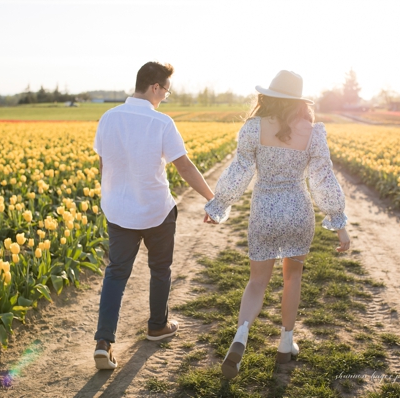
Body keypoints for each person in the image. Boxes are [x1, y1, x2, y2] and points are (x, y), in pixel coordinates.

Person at [203, 70, 352, 379]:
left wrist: (218, 205)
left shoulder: (253, 128)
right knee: (292, 278)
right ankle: (285, 344)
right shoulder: (312, 132)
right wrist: (339, 222)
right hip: (298, 211)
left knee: (257, 282)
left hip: (264, 213)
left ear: (269, 96)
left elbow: (240, 171)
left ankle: (240, 336)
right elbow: (322, 178)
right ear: (300, 101)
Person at [92, 62, 215, 370]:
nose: (165, 97)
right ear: (155, 87)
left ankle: (103, 342)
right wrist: (212, 198)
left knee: (116, 273)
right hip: (156, 210)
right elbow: (183, 166)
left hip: (119, 211)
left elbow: (104, 165)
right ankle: (157, 326)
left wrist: (113, 197)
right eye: (166, 91)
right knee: (160, 269)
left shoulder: (108, 117)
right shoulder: (161, 122)